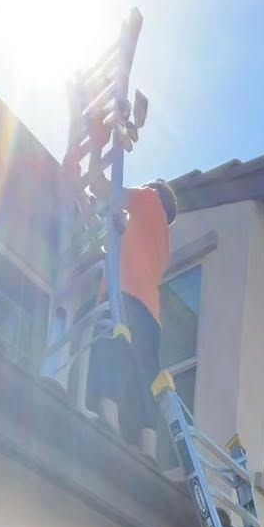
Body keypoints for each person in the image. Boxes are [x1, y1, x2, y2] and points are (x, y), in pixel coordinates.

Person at [85, 179, 177, 457]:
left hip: (124, 293)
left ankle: (109, 423)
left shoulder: (149, 199)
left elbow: (104, 188)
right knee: (144, 378)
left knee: (108, 345)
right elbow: (128, 244)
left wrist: (95, 164)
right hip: (151, 315)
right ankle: (148, 450)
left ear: (156, 192)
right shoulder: (163, 239)